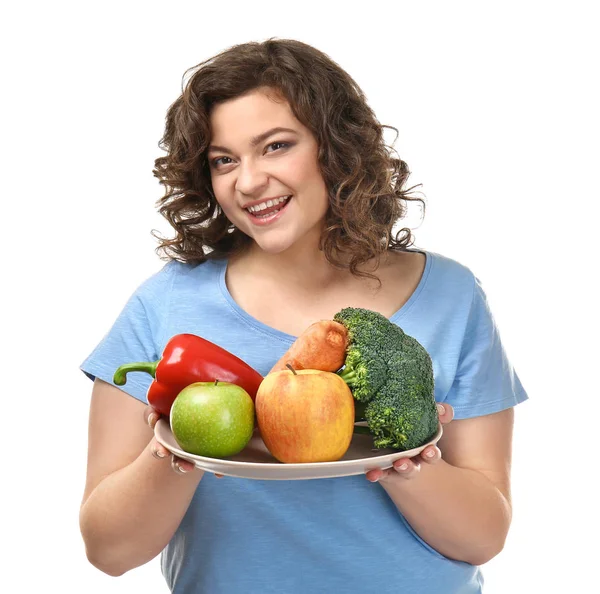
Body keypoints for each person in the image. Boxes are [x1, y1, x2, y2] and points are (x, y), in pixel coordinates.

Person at [79, 38, 528, 593]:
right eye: (224, 160)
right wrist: (174, 452)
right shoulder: (163, 305)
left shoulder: (451, 296)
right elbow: (109, 550)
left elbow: (483, 538)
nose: (247, 182)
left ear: (335, 147)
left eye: (275, 146)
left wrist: (407, 461)